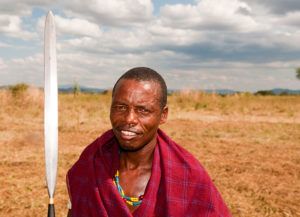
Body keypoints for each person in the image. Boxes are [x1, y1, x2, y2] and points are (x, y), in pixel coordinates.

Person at [66, 67, 231, 217]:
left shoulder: (188, 176)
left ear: (163, 115)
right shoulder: (92, 164)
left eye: (143, 110)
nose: (129, 119)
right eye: (120, 107)